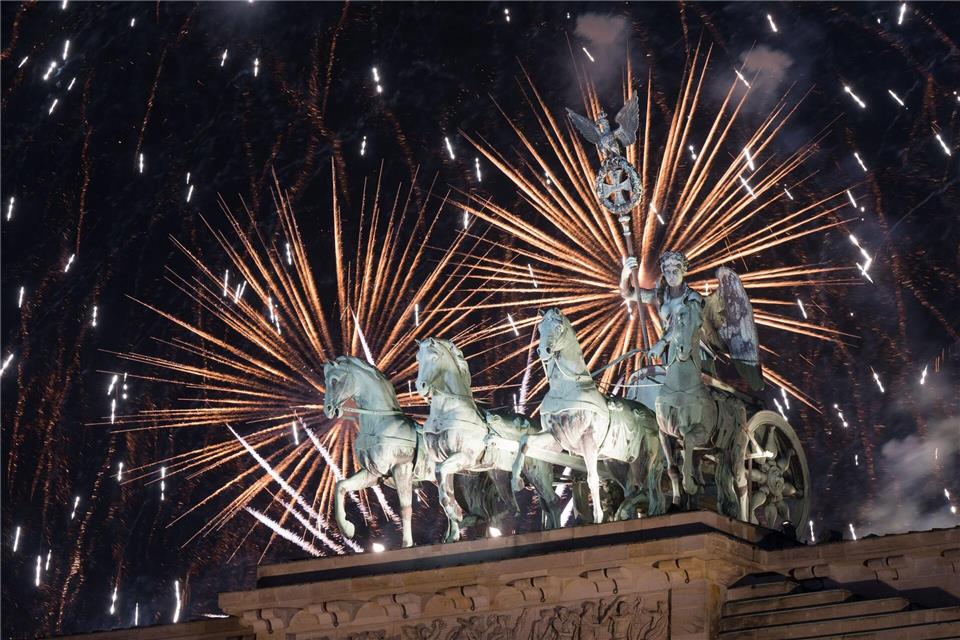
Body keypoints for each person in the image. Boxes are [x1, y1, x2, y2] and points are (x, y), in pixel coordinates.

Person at [619, 251, 703, 366]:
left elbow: (685, 326)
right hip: (668, 353)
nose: (671, 276)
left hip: (689, 354)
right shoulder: (660, 296)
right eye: (667, 272)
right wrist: (625, 275)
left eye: (675, 271)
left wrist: (662, 343)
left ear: (683, 270)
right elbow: (628, 294)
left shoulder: (693, 298)